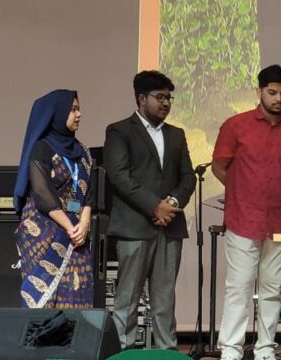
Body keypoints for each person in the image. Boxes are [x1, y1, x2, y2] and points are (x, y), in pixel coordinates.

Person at [212, 65, 281, 360]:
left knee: (272, 289)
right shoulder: (236, 125)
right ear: (259, 92)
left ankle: (265, 349)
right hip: (243, 218)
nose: (278, 99)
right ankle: (231, 348)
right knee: (239, 287)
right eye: (272, 93)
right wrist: (240, 189)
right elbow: (220, 165)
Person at [104, 70, 196, 351]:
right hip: (134, 226)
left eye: (169, 97)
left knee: (165, 299)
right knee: (127, 298)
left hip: (169, 228)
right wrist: (154, 206)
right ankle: (123, 351)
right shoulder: (119, 131)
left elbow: (188, 178)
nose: (166, 103)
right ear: (142, 99)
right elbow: (119, 176)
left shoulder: (177, 134)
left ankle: (167, 352)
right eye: (160, 97)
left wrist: (173, 204)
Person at [14, 89, 96, 309]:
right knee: (44, 301)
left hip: (77, 233)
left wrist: (84, 224)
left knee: (77, 289)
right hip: (44, 231)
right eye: (72, 110)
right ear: (57, 114)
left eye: (79, 109)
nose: (78, 114)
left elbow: (89, 192)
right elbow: (43, 195)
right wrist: (71, 226)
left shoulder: (83, 152)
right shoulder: (41, 149)